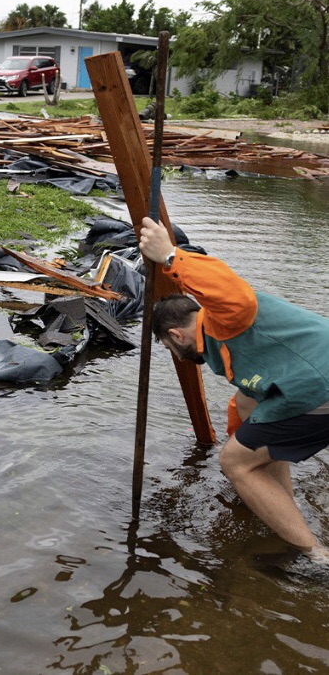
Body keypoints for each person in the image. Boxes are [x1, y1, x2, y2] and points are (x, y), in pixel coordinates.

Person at [139, 216, 329, 564]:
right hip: (314, 380)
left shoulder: (225, 318)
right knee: (245, 408)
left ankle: (314, 556)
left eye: (170, 348)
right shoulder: (220, 338)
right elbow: (244, 406)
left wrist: (169, 255)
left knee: (235, 461)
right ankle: (281, 502)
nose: (178, 357)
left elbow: (233, 291)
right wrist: (242, 445)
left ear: (177, 336)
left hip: (321, 385)